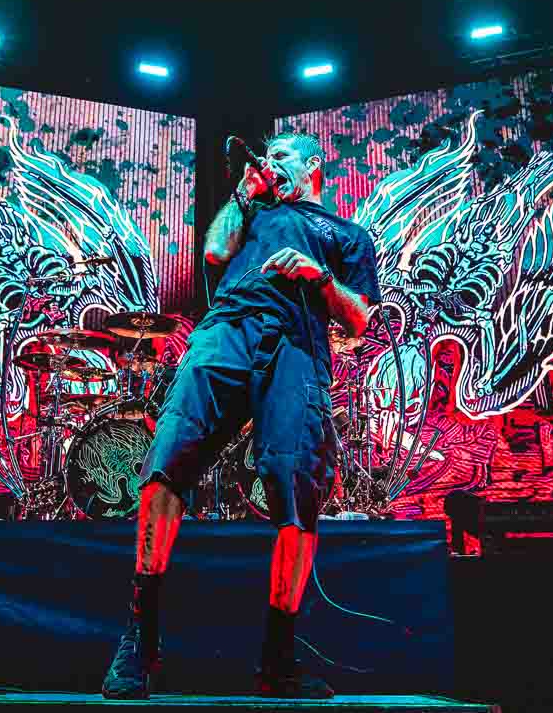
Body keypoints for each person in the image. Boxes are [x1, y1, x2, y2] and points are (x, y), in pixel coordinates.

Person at [101, 132, 380, 700]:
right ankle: (139, 639)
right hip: (225, 332)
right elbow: (215, 253)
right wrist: (243, 195)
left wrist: (317, 276)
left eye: (281, 157)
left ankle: (278, 661)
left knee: (295, 487)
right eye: (267, 158)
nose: (270, 164)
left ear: (313, 165)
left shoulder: (346, 234)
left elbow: (359, 320)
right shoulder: (250, 212)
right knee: (167, 462)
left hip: (298, 347)